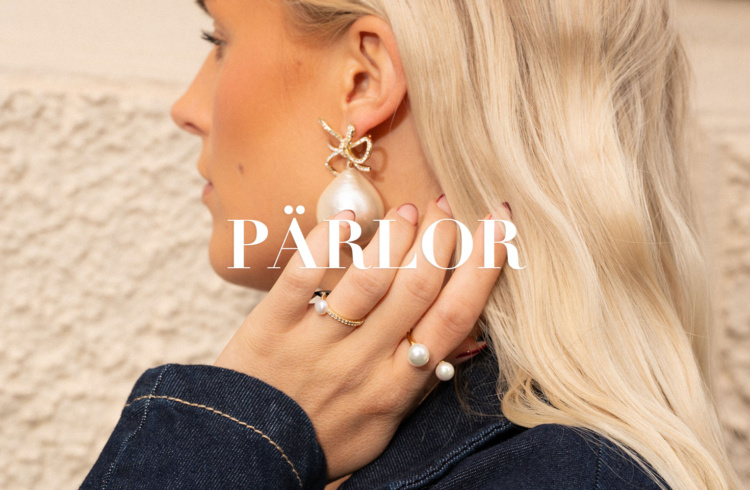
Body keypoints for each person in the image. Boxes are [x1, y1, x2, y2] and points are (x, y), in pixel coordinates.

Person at [82, 0, 741, 488]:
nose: (187, 108)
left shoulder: (556, 476)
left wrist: (240, 434)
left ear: (363, 79)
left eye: (219, 40)